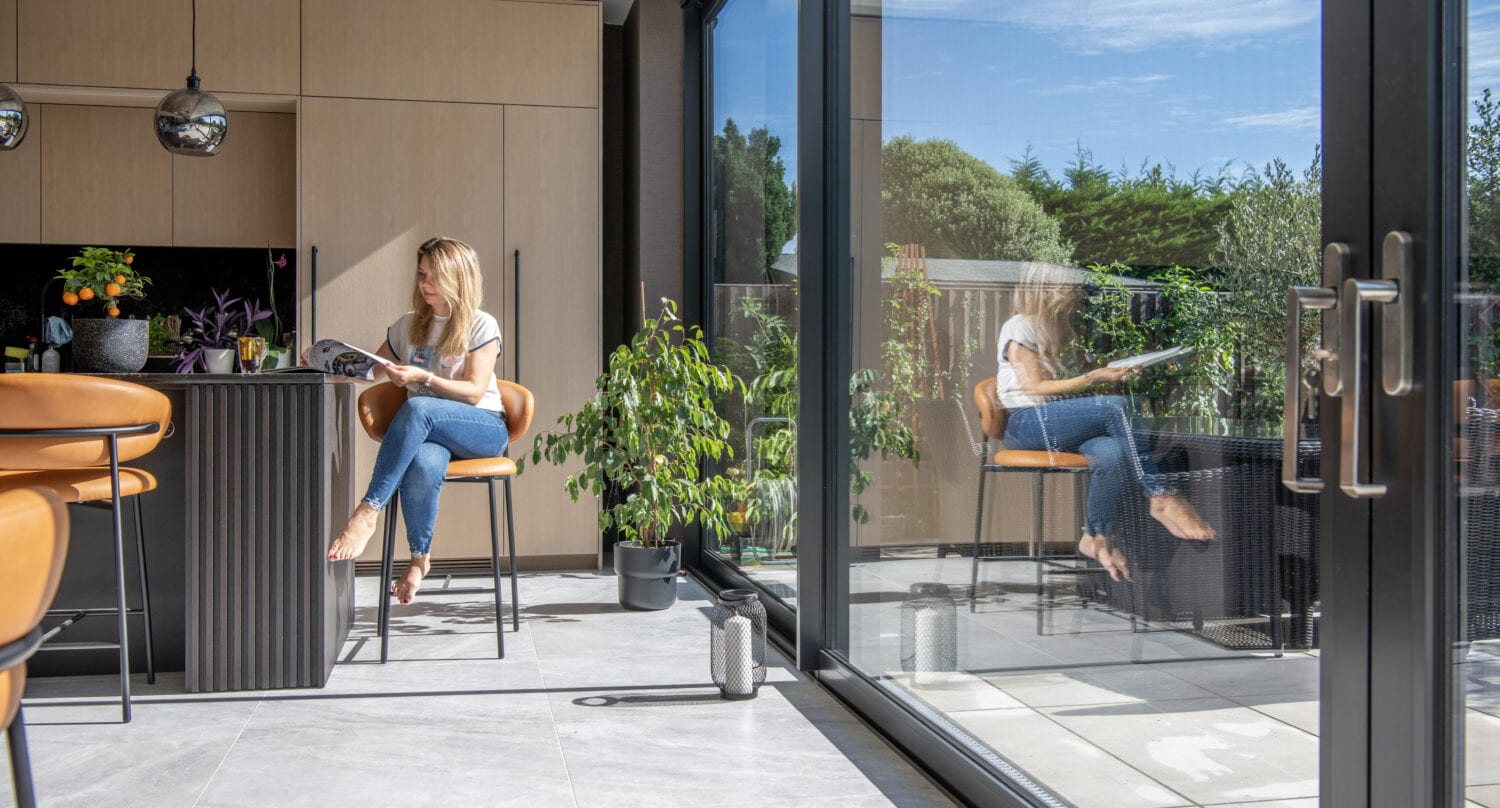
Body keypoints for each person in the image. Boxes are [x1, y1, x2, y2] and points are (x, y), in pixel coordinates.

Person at [995, 265, 1214, 582]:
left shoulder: (1063, 331)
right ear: (1045, 293)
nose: (1075, 295)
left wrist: (1123, 366)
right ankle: (1161, 495)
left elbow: (1080, 381)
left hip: (1064, 421)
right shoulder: (1020, 328)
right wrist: (1092, 377)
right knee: (1121, 407)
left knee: (1114, 452)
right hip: (1027, 424)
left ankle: (1095, 535)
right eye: (1067, 289)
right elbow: (1035, 388)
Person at [326, 237, 509, 604]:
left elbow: (474, 392)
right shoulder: (408, 326)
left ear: (459, 278)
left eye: (435, 277)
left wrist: (422, 378)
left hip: (482, 427)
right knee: (423, 462)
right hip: (429, 433)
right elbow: (371, 371)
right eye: (422, 274)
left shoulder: (480, 325)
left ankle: (367, 511)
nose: (425, 284)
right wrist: (329, 362)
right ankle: (419, 560)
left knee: (418, 407)